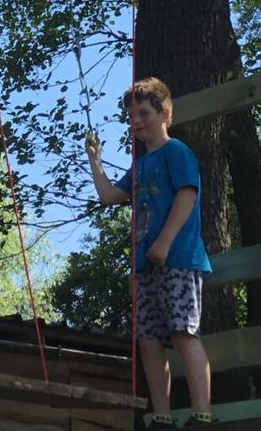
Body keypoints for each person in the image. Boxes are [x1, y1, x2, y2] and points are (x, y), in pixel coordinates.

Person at [86, 77, 213, 427]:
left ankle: (202, 415)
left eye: (143, 113)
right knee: (148, 341)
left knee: (183, 332)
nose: (136, 121)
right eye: (131, 116)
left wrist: (166, 241)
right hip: (145, 266)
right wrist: (94, 161)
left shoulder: (177, 152)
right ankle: (162, 416)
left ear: (165, 114)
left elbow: (187, 196)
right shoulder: (139, 166)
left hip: (178, 258)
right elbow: (110, 197)